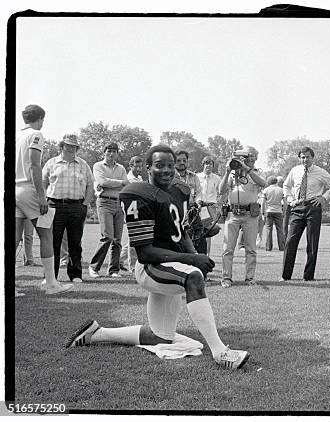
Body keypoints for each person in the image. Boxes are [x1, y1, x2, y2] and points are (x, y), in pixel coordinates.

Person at [64, 144, 249, 370]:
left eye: (170, 166)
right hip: (151, 267)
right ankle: (220, 353)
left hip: (172, 264)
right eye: (160, 166)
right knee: (192, 277)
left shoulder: (180, 190)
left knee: (161, 337)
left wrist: (195, 255)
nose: (167, 171)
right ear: (148, 167)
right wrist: (192, 261)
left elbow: (181, 232)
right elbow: (145, 252)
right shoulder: (137, 193)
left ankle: (96, 333)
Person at [14, 104, 73, 295]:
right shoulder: (36, 135)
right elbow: (34, 164)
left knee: (14, 238)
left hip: (14, 189)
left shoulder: (16, 135)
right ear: (40, 118)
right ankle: (50, 284)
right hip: (29, 189)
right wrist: (41, 195)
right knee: (46, 234)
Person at [42, 134, 94, 283]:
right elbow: (42, 183)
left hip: (77, 206)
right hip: (54, 205)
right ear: (61, 146)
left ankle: (76, 275)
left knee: (75, 243)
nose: (71, 148)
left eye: (74, 146)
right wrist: (44, 200)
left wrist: (85, 204)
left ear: (77, 148)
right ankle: (50, 276)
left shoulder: (83, 164)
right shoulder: (51, 163)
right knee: (53, 242)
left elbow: (90, 185)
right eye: (68, 145)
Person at [281, 146, 330, 281]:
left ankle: (308, 276)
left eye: (307, 157)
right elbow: (286, 186)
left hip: (313, 207)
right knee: (290, 242)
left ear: (312, 158)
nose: (305, 159)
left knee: (312, 243)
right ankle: (285, 276)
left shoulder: (320, 172)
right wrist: (290, 199)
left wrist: (324, 197)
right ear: (299, 158)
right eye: (302, 157)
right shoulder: (294, 171)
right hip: (297, 207)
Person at [218, 146, 266, 287]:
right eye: (245, 158)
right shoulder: (233, 173)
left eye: (251, 158)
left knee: (251, 248)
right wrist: (228, 172)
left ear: (255, 159)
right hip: (232, 214)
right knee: (228, 248)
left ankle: (250, 278)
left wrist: (247, 169)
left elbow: (263, 183)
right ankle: (226, 278)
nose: (248, 160)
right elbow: (221, 190)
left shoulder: (257, 172)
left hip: (250, 215)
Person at [89, 142, 129, 278]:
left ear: (117, 153)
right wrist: (119, 183)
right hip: (104, 202)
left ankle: (113, 270)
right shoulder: (98, 166)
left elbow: (126, 184)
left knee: (117, 240)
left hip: (118, 203)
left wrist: (110, 183)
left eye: (114, 151)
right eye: (109, 151)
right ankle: (94, 267)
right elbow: (102, 182)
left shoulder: (121, 168)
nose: (112, 154)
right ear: (104, 152)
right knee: (107, 236)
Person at [119, 156, 144, 270]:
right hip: (131, 209)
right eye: (136, 166)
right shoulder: (128, 179)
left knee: (133, 237)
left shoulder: (140, 178)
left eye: (140, 166)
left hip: (139, 209)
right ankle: (133, 266)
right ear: (130, 166)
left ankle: (118, 260)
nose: (139, 169)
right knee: (134, 237)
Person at [196, 155, 222, 255]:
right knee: (197, 230)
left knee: (208, 232)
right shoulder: (197, 177)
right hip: (199, 206)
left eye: (210, 164)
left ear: (213, 166)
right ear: (203, 165)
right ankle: (197, 254)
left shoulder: (217, 178)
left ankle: (207, 255)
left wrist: (218, 204)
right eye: (206, 163)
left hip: (211, 207)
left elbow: (222, 192)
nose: (208, 166)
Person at [262, 175, 285, 251]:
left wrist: (263, 212)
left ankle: (268, 248)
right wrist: (284, 211)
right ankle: (282, 247)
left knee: (268, 229)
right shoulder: (281, 190)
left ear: (269, 182)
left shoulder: (266, 190)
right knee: (280, 229)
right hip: (278, 211)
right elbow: (285, 203)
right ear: (276, 181)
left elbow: (263, 202)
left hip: (269, 211)